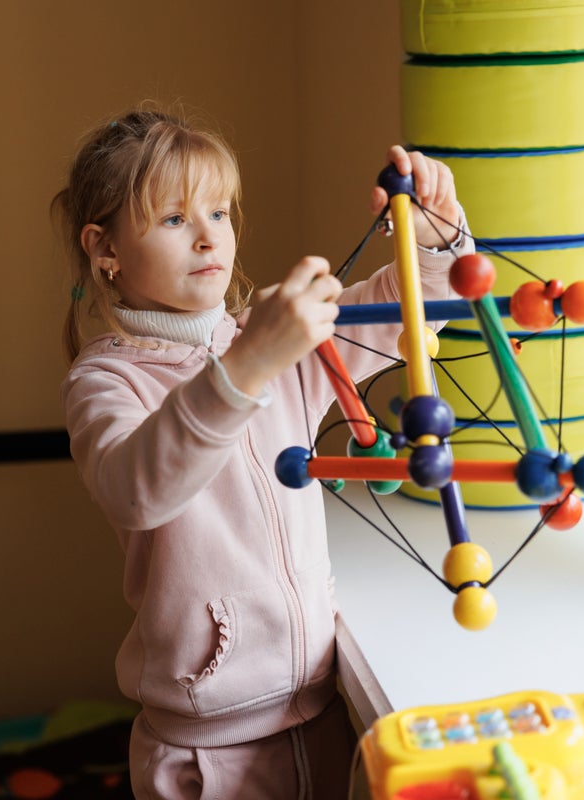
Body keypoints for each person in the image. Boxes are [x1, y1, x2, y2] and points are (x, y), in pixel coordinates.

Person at [54, 107, 470, 799]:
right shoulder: (105, 380)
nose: (208, 236)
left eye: (218, 213)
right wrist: (249, 365)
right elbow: (137, 490)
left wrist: (436, 235)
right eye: (174, 218)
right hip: (203, 755)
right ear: (106, 249)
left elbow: (417, 307)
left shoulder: (272, 344)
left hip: (323, 718)